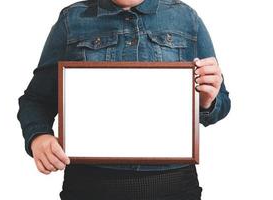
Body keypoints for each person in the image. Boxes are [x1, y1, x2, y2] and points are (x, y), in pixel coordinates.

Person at [17, 0, 231, 199]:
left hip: (174, 185)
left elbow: (221, 102)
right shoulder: (72, 20)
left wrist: (207, 100)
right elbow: (35, 100)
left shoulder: (186, 18)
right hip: (89, 186)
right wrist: (39, 136)